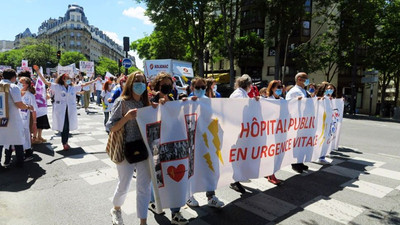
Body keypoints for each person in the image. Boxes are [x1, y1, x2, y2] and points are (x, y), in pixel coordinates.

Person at [106, 71, 152, 225]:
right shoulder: (122, 102)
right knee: (124, 184)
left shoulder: (147, 103)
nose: (140, 84)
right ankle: (116, 209)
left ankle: (143, 221)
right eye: (137, 80)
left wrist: (160, 106)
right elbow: (111, 126)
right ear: (130, 83)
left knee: (144, 187)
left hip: (145, 149)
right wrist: (126, 118)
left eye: (142, 81)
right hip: (126, 149)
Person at [149, 72, 189, 225]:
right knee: (158, 175)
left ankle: (175, 212)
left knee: (173, 176)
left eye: (169, 84)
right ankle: (153, 201)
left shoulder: (173, 99)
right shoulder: (151, 100)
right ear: (158, 86)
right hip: (158, 144)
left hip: (173, 143)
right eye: (164, 84)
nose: (167, 86)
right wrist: (155, 105)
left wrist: (185, 103)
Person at [34, 65, 99, 150]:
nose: (68, 80)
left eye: (69, 79)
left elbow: (84, 84)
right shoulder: (57, 86)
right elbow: (46, 82)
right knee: (63, 126)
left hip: (70, 110)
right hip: (61, 110)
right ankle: (64, 143)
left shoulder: (72, 87)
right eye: (66, 79)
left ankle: (65, 142)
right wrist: (38, 72)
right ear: (62, 80)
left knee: (67, 127)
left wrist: (94, 80)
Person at [185, 77, 225, 208]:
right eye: (198, 87)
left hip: (207, 140)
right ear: (192, 88)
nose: (201, 90)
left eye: (203, 87)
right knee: (192, 167)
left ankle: (211, 196)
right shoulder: (187, 102)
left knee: (210, 167)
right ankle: (189, 195)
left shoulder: (209, 102)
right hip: (192, 141)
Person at [229, 74, 259, 193]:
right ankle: (234, 180)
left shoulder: (242, 94)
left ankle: (237, 178)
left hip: (241, 130)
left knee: (240, 155)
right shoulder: (238, 94)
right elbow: (239, 110)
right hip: (237, 130)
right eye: (251, 85)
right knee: (237, 155)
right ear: (248, 85)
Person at [0, 69, 34, 168]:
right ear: (13, 77)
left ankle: (4, 162)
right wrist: (27, 106)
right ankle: (19, 162)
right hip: (12, 118)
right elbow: (19, 104)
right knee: (17, 138)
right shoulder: (13, 87)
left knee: (1, 140)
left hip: (1, 117)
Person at [285, 72, 310, 173]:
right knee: (296, 143)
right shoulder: (294, 91)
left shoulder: (303, 90)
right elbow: (288, 105)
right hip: (296, 121)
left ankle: (300, 161)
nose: (307, 80)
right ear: (299, 79)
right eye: (305, 78)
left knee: (301, 143)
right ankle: (295, 163)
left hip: (303, 121)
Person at [263, 80, 284, 185]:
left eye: (281, 87)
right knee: (271, 153)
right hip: (270, 132)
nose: (280, 89)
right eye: (277, 87)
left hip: (280, 131)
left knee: (277, 153)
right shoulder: (267, 100)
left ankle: (269, 172)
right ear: (272, 88)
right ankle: (270, 174)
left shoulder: (283, 100)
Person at [315, 83, 337, 165]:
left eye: (332, 88)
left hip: (329, 123)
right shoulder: (321, 98)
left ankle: (322, 156)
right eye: (329, 88)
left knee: (326, 139)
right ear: (325, 89)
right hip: (322, 123)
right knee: (321, 139)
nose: (330, 90)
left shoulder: (331, 99)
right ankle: (319, 156)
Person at [18, 77, 38, 162]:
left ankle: (28, 153)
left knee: (26, 135)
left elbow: (34, 110)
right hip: (16, 118)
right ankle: (20, 151)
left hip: (25, 119)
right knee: (19, 135)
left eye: (23, 83)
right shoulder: (16, 93)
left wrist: (34, 122)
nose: (21, 85)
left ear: (28, 85)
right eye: (20, 83)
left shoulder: (30, 96)